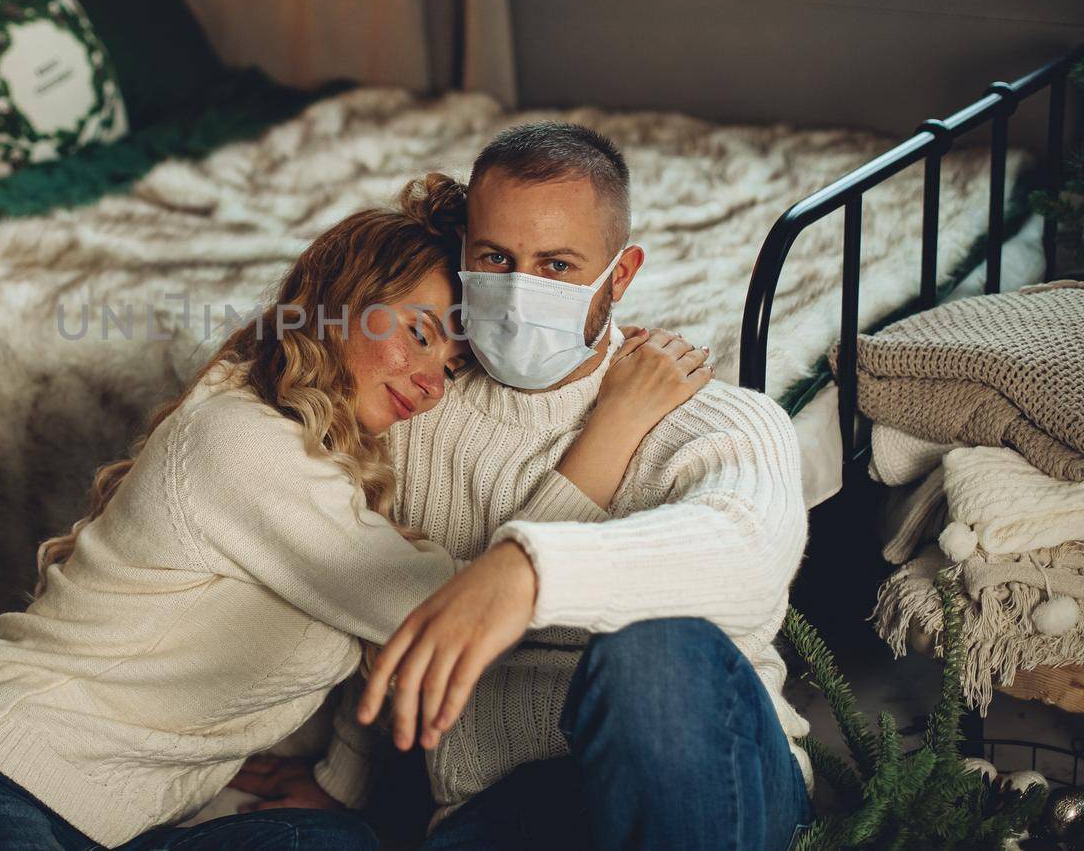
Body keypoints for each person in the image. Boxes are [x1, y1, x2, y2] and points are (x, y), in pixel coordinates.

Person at [0, 188, 710, 851]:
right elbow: (462, 615)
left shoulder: (333, 461)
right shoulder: (246, 442)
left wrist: (338, 781)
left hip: (118, 826)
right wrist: (610, 434)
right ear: (338, 304)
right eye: (416, 332)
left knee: (337, 840)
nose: (428, 379)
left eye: (453, 364)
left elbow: (369, 644)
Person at [237, 124, 812, 851]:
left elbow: (749, 558)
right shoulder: (413, 410)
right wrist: (343, 784)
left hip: (702, 778)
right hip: (502, 809)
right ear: (466, 255)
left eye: (558, 265)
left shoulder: (715, 415)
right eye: (497, 258)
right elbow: (377, 614)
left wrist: (526, 572)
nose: (520, 289)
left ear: (621, 275)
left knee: (651, 662)